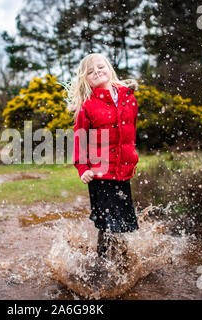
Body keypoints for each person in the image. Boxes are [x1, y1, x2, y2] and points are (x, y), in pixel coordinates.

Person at [67, 53, 140, 259]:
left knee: (124, 224)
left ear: (109, 69)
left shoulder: (129, 99)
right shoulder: (88, 106)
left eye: (100, 67)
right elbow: (80, 139)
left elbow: (131, 132)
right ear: (85, 79)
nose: (97, 72)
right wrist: (83, 168)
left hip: (122, 172)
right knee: (108, 224)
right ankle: (102, 264)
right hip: (100, 174)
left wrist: (130, 157)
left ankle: (123, 262)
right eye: (90, 71)